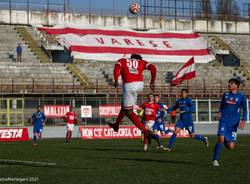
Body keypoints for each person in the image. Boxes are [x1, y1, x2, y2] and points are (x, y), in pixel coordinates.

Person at [108, 54, 156, 139]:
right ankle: (116, 125)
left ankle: (145, 131)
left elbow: (117, 68)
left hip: (129, 85)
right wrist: (152, 82)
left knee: (129, 112)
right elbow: (153, 68)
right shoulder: (141, 62)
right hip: (140, 85)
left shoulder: (122, 61)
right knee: (124, 106)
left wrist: (115, 80)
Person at [212, 78, 247, 167]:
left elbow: (245, 109)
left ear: (236, 86)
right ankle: (215, 160)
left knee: (231, 147)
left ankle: (224, 140)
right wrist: (219, 112)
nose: (229, 85)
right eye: (229, 83)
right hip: (224, 120)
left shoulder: (241, 96)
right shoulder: (226, 95)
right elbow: (222, 105)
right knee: (220, 139)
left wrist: (243, 120)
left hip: (234, 123)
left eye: (231, 83)